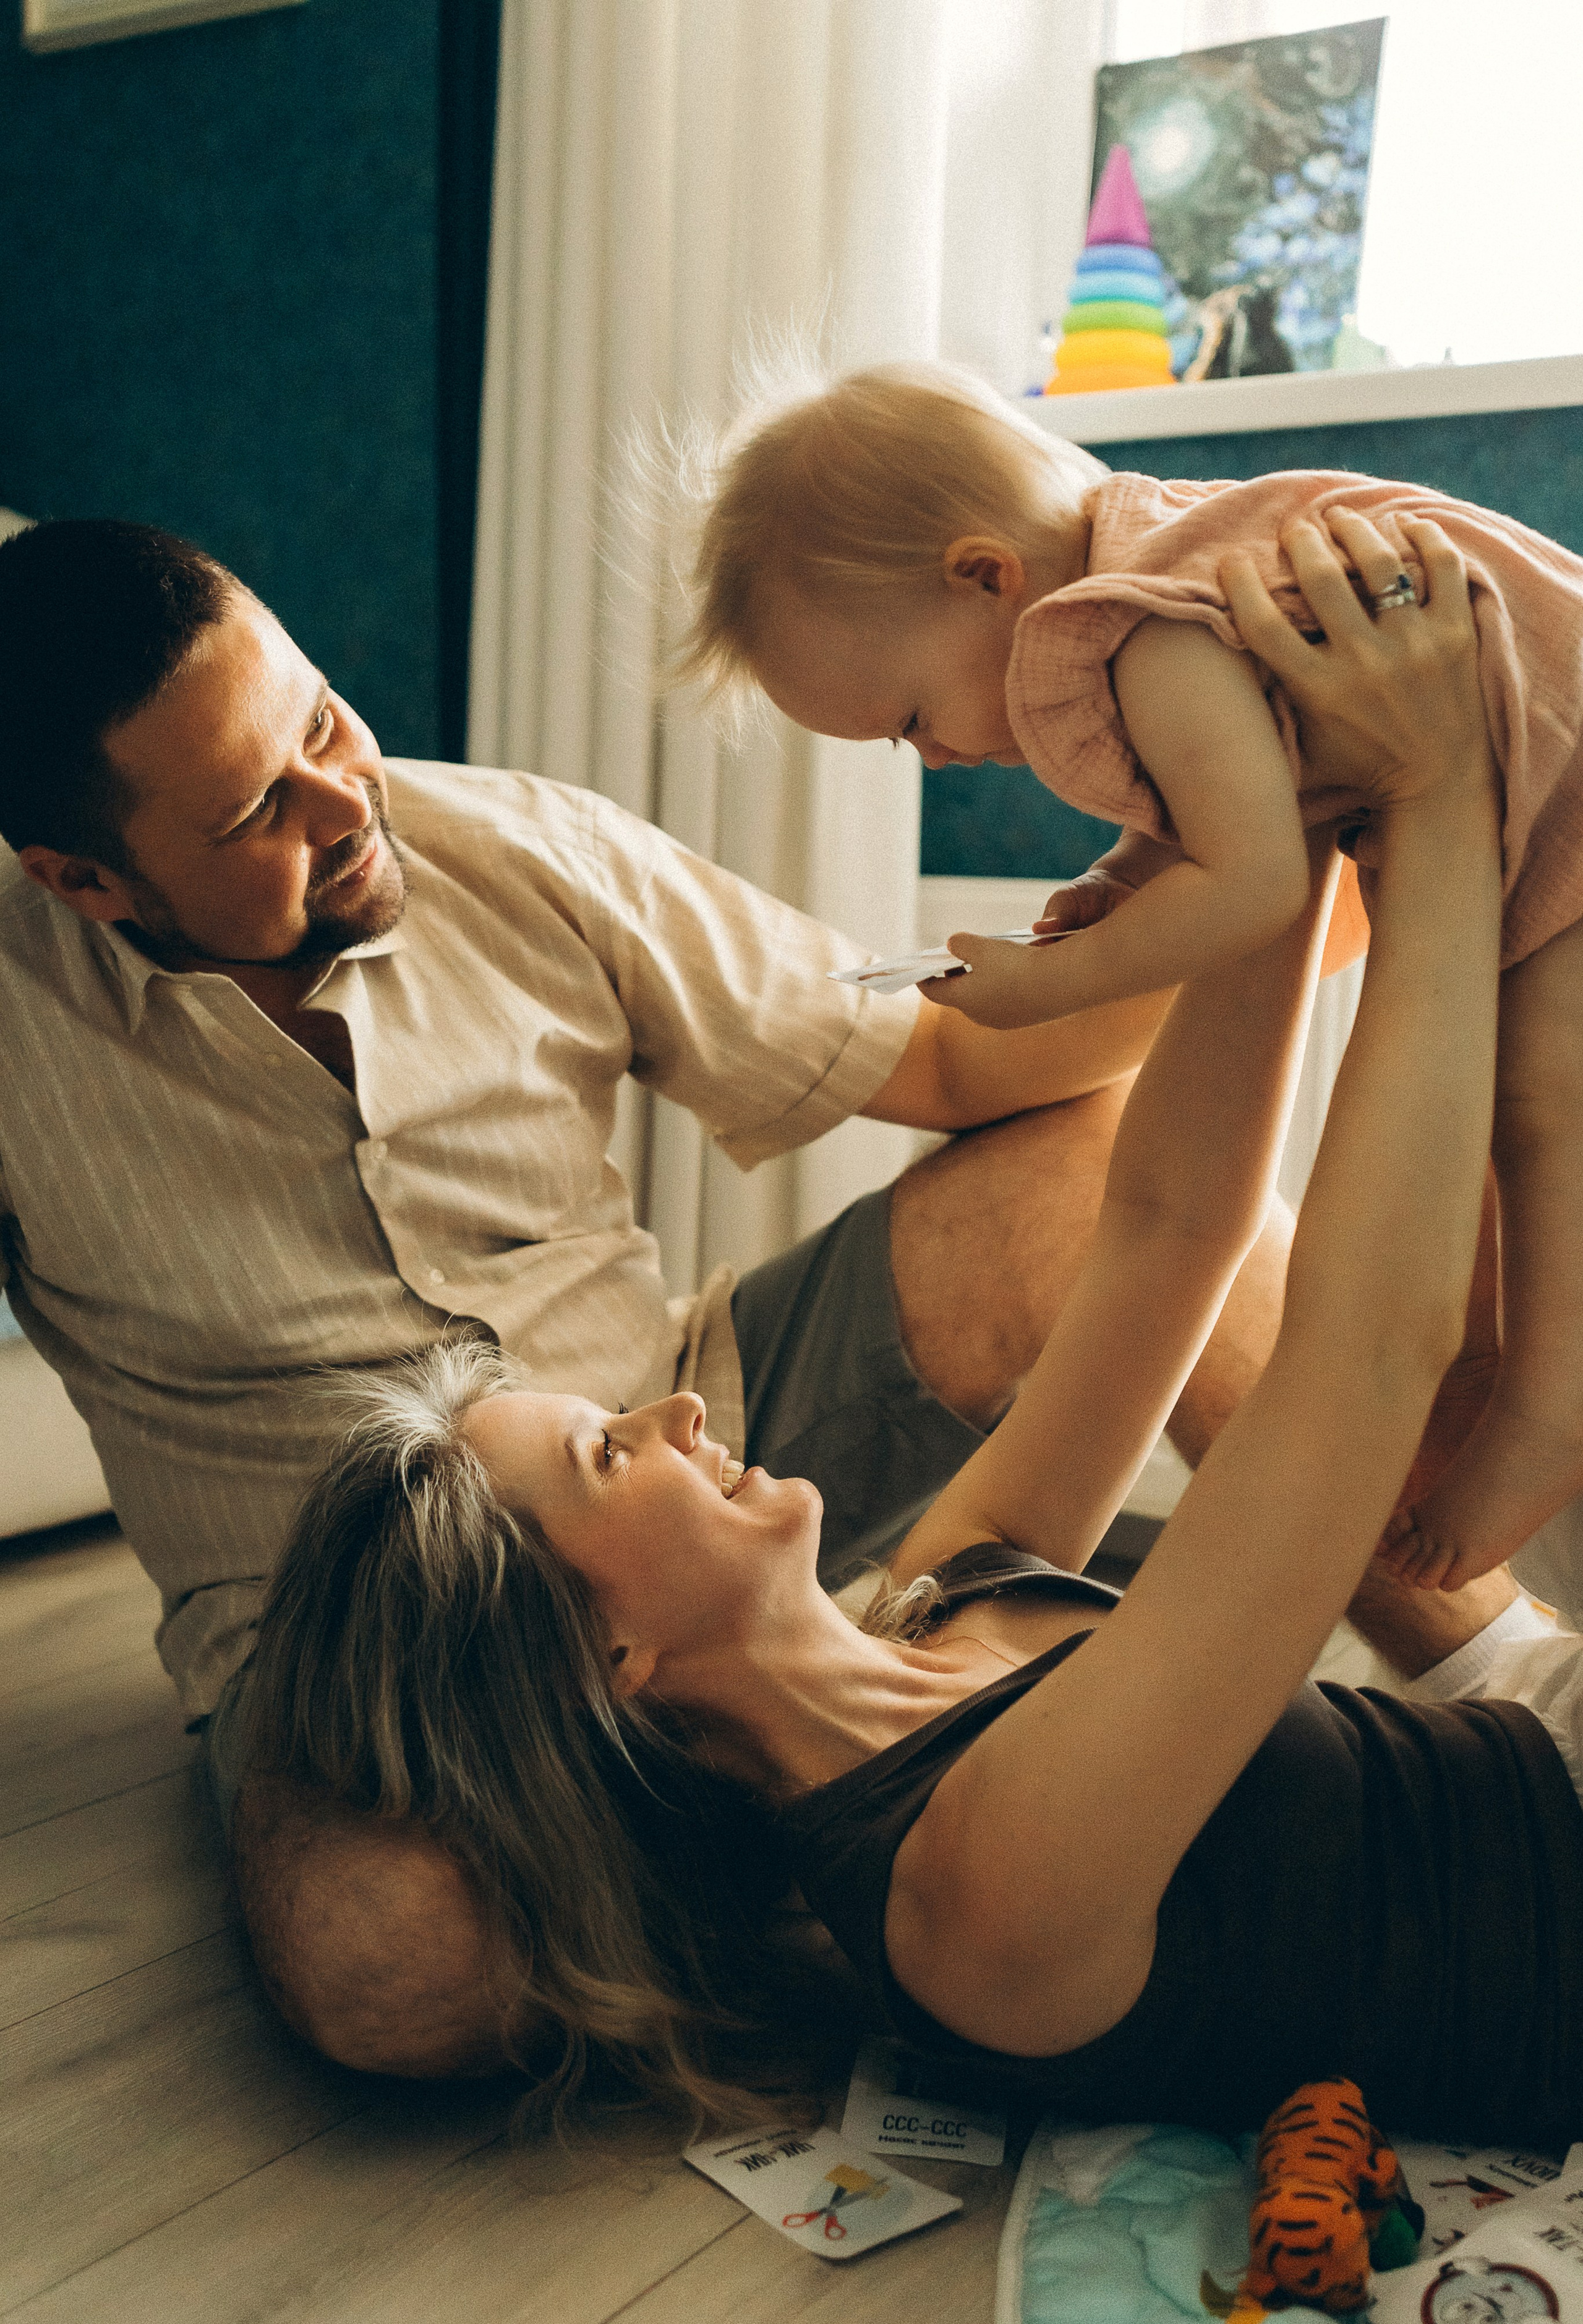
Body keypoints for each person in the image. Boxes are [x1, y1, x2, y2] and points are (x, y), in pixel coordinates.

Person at [241, 510, 1578, 2140]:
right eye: (607, 1448)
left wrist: (1269, 841)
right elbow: (1369, 1350)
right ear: (614, 1656)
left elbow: (1166, 1230)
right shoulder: (976, 1893)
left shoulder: (925, 1610)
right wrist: (1437, 806)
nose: (675, 1412)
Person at [0, 513, 1312, 2063]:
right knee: (397, 1970)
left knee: (1078, 1171)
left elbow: (957, 1055)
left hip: (684, 1441)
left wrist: (1257, 879)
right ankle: (862, 1772)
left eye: (324, 721)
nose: (341, 796)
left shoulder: (518, 843)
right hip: (349, 1623)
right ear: (83, 876)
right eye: (253, 815)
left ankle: (1487, 1658)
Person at [678, 359, 1583, 1605]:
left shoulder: (1128, 628)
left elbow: (1257, 879)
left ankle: (1550, 1399)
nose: (934, 758)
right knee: (1506, 1115)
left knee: (1542, 1117)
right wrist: (1121, 877)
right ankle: (1511, 1398)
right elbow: (1230, 790)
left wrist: (1055, 985)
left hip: (1562, 786)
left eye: (907, 719)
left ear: (984, 577)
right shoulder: (1162, 572)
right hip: (1530, 785)